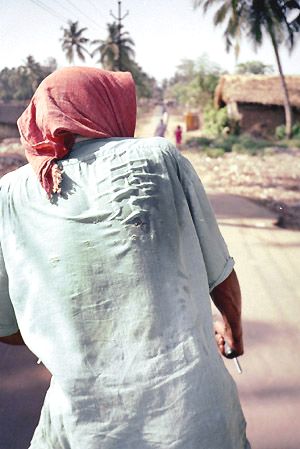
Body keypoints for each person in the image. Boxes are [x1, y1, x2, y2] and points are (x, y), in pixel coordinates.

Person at [0, 67, 250, 449]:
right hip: (195, 423)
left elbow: (8, 327)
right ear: (109, 107)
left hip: (84, 431)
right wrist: (233, 330)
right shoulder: (160, 155)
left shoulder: (10, 193)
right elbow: (220, 276)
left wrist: (73, 337)